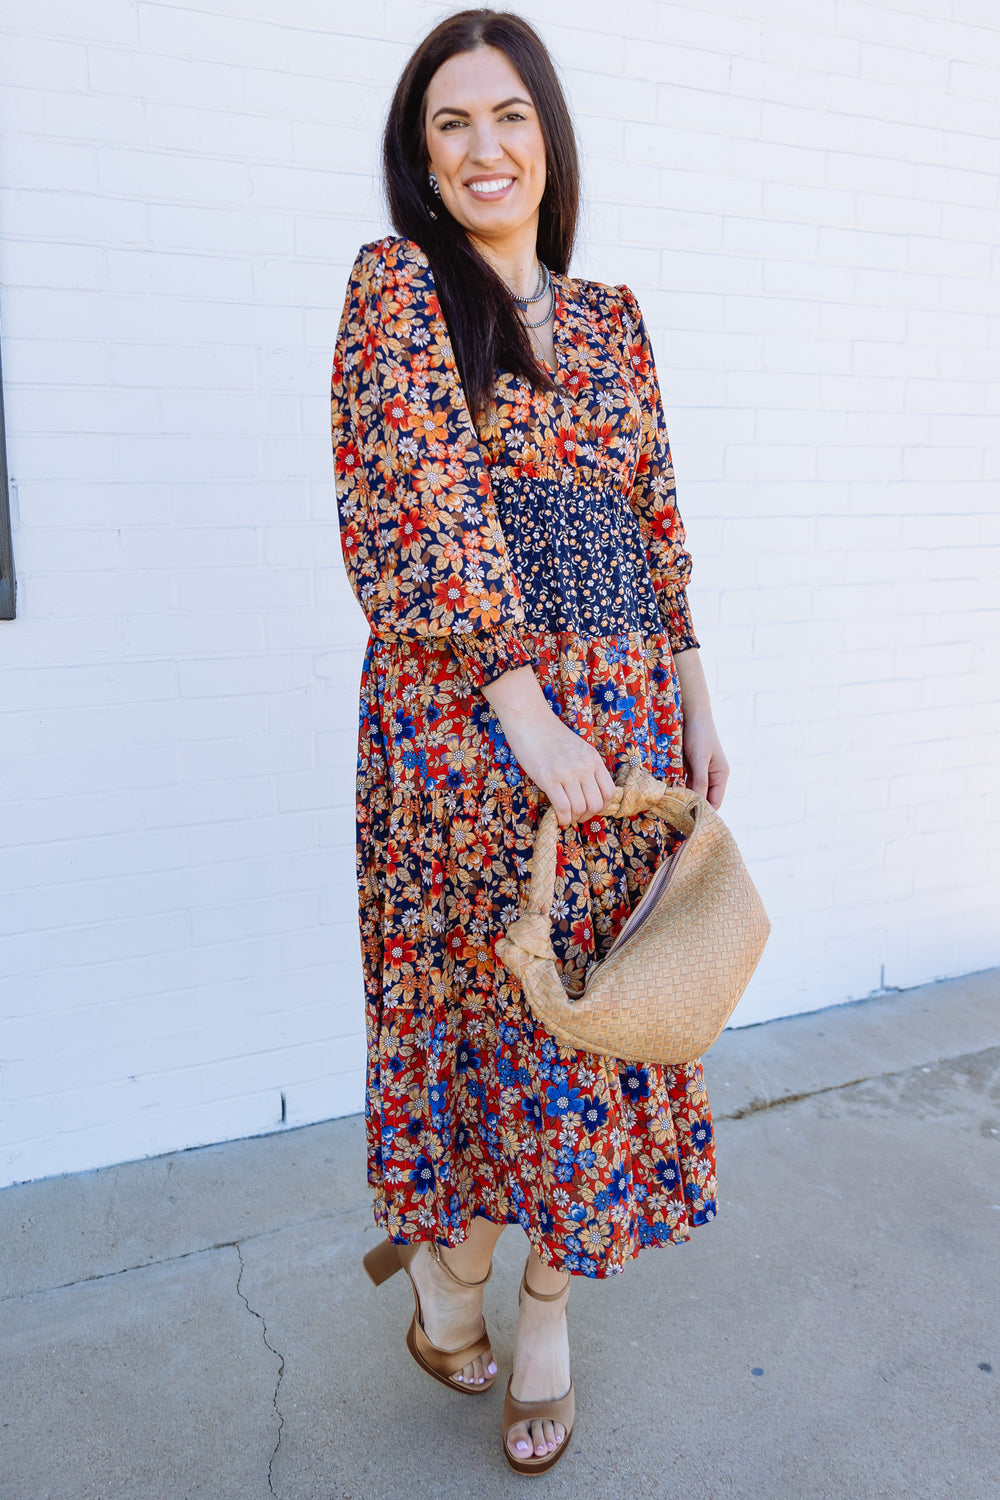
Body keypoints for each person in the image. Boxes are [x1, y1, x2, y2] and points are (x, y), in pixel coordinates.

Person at [331, 8, 730, 1475]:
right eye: (452, 124)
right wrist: (515, 697)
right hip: (463, 718)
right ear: (421, 160)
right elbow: (413, 501)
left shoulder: (614, 318)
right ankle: (448, 1276)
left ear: (548, 138)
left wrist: (690, 682)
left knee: (598, 1022)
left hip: (619, 714)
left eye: (510, 116)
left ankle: (541, 1305)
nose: (486, 147)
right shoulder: (399, 293)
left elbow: (655, 509)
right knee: (488, 1018)